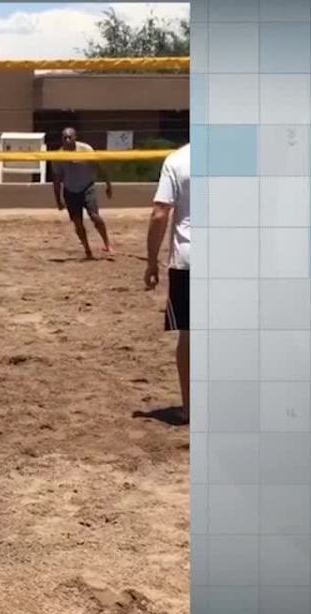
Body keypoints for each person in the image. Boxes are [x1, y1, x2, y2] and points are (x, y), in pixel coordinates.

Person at [145, 143, 191, 425]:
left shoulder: (177, 160)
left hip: (190, 258)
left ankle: (191, 408)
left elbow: (160, 213)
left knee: (190, 334)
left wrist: (151, 261)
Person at [51, 127, 114, 259]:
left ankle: (107, 244)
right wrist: (58, 199)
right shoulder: (58, 156)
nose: (67, 140)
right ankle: (87, 250)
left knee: (95, 217)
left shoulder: (86, 149)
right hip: (70, 191)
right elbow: (56, 180)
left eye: (70, 137)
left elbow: (100, 166)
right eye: (65, 138)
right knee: (78, 223)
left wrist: (108, 185)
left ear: (75, 137)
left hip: (87, 187)